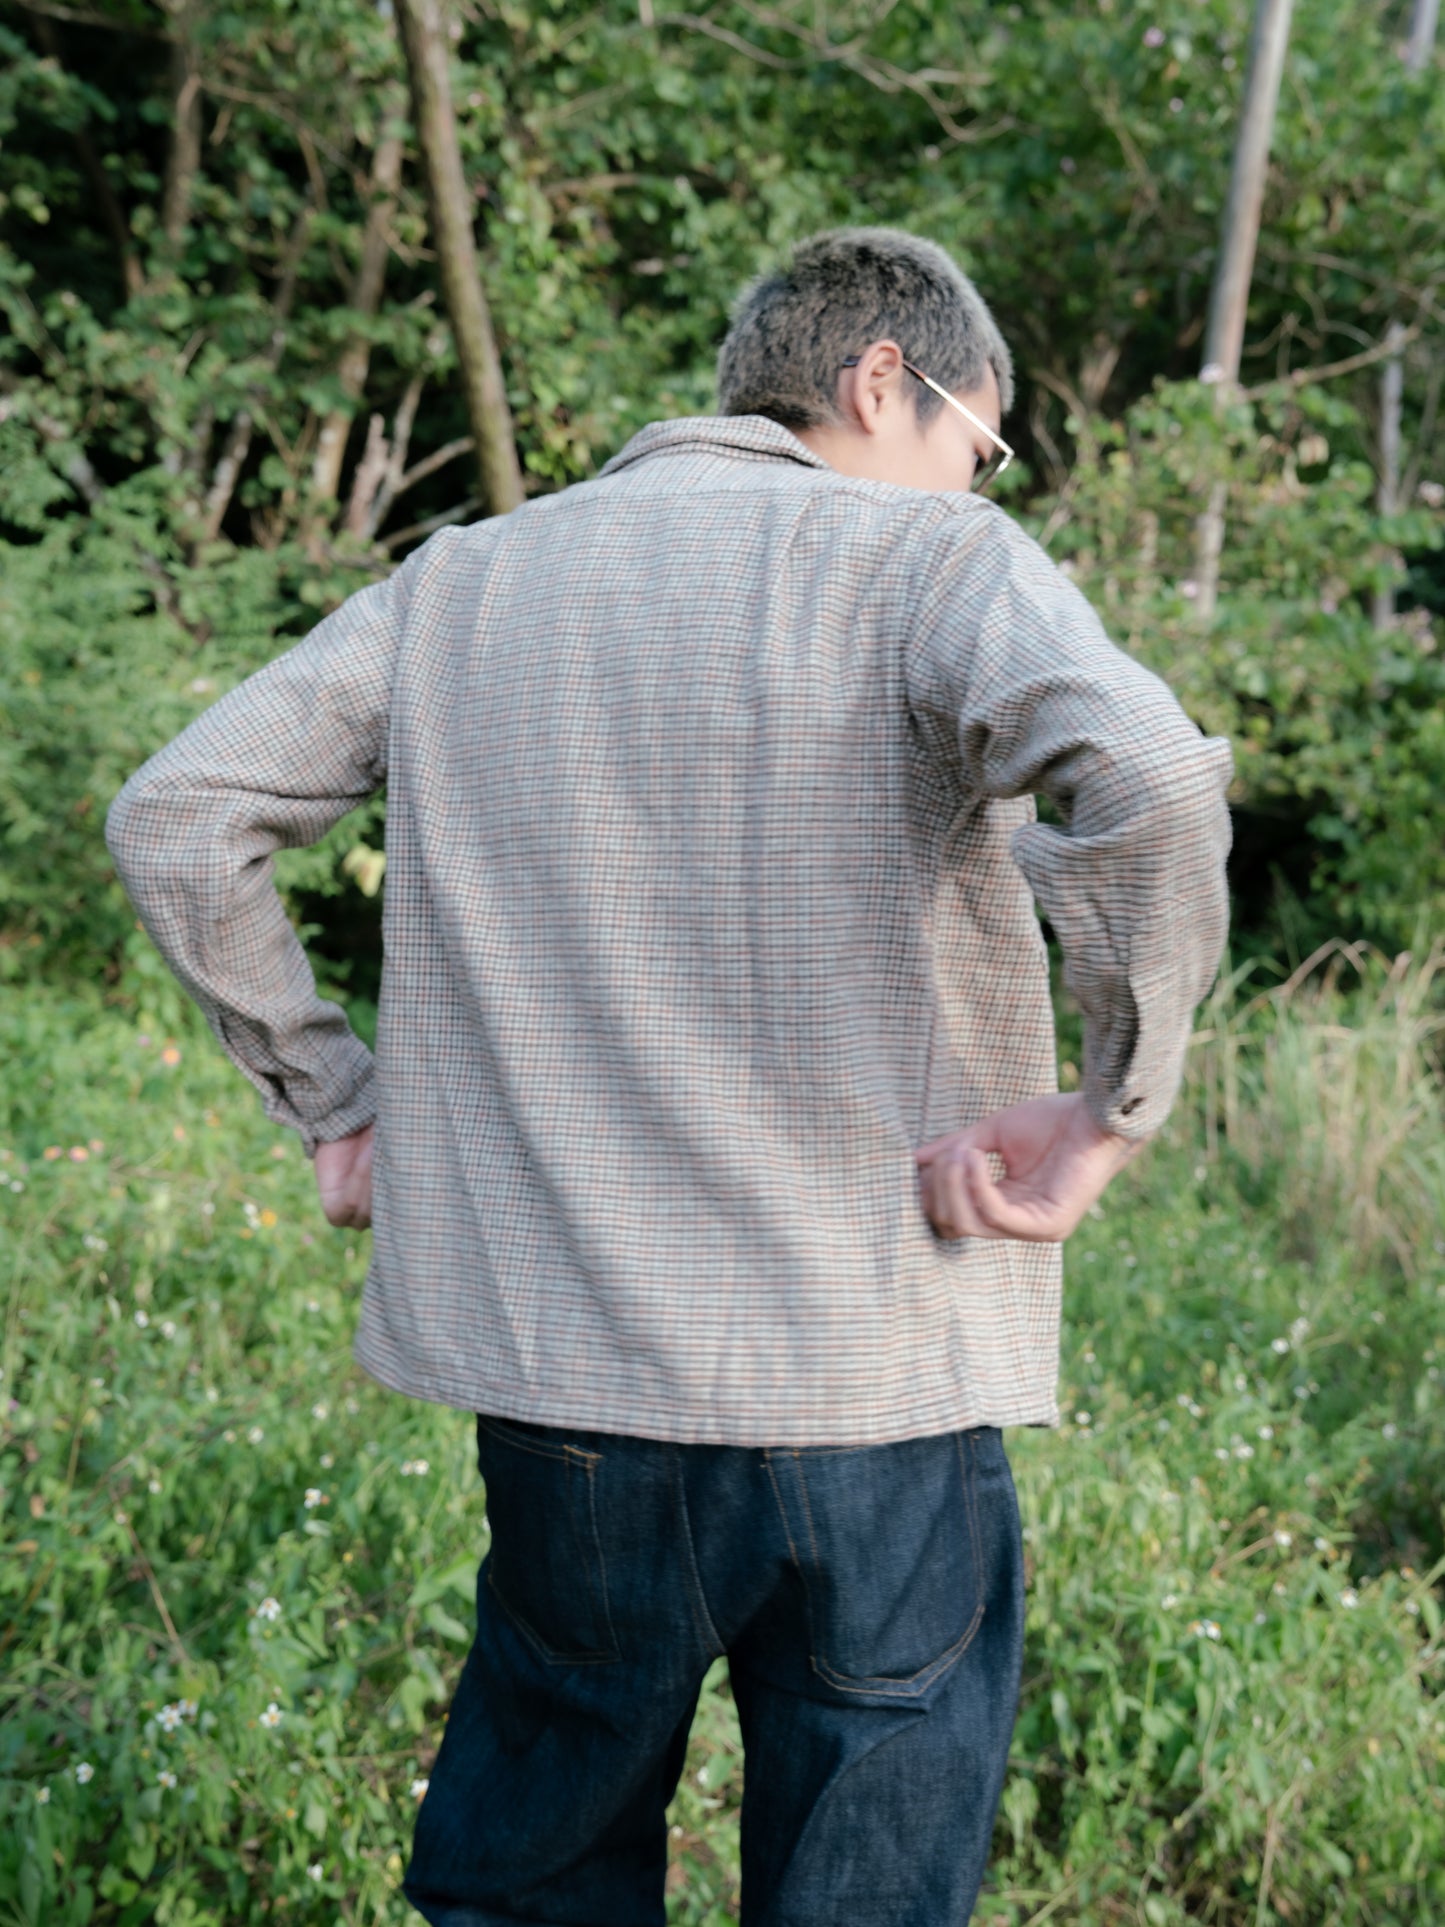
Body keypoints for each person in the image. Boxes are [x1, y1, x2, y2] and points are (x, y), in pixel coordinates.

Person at [106, 226, 1232, 1926]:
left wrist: (332, 1095)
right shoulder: (934, 566)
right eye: (980, 444)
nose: (979, 483)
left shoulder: (465, 581)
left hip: (573, 1400)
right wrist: (1108, 1107)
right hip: (876, 1380)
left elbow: (178, 816)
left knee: (537, 1871)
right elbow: (1144, 770)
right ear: (880, 383)